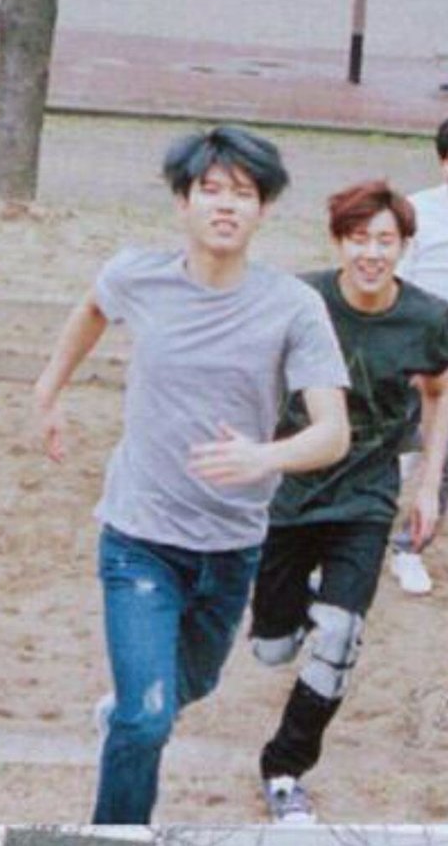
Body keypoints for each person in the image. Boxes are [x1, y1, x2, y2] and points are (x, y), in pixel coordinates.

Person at [33, 125, 350, 824]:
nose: (226, 205)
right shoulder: (138, 276)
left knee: (190, 686)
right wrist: (49, 390)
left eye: (244, 193)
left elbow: (333, 432)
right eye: (211, 190)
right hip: (139, 539)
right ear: (183, 201)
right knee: (148, 720)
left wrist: (264, 456)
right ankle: (116, 830)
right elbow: (93, 307)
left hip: (232, 545)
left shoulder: (292, 306)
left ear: (264, 209)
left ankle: (124, 715)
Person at [251, 180, 448, 824]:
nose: (372, 254)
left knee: (339, 638)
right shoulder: (300, 300)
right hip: (288, 496)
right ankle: (304, 607)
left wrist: (427, 486)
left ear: (404, 246)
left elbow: (438, 394)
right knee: (272, 648)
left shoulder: (428, 318)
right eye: (359, 239)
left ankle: (285, 769)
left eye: (385, 241)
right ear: (338, 242)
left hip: (365, 499)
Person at [390, 117, 448, 594]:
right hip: (419, 348)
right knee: (390, 452)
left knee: (440, 463)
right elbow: (396, 282)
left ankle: (409, 548)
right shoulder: (416, 212)